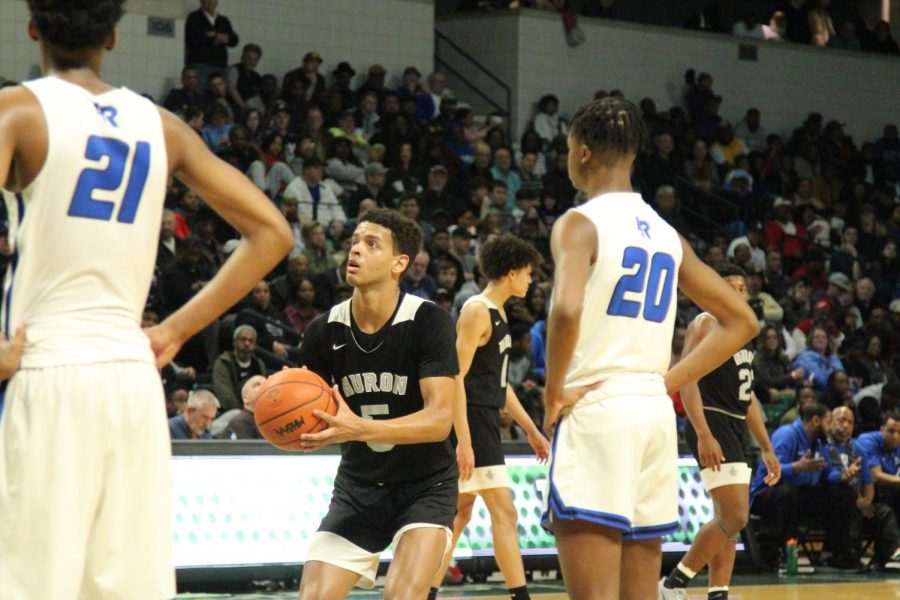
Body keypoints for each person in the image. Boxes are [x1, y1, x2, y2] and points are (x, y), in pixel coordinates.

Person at [0, 3, 292, 598]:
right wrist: (176, 330)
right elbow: (274, 234)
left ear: (32, 28)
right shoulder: (160, 125)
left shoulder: (16, 111)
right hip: (133, 379)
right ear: (112, 35)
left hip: (47, 366)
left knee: (31, 584)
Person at [540, 97, 758, 600]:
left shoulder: (579, 222)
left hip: (598, 410)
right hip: (654, 416)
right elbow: (742, 321)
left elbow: (566, 310)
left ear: (584, 152)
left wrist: (553, 392)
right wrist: (666, 384)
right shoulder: (666, 234)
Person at [295, 208, 460, 598]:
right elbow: (302, 405)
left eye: (372, 245)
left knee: (401, 595)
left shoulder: (429, 321)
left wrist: (361, 428)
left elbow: (439, 420)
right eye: (355, 241)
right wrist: (267, 398)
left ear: (399, 263)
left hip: (425, 485)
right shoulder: (322, 331)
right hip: (358, 486)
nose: (356, 250)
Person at [432, 234, 551, 599]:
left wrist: (530, 429)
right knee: (504, 511)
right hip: (470, 421)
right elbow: (455, 378)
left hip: (483, 418)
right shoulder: (476, 310)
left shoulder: (498, 313)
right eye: (528, 274)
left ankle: (425, 591)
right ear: (511, 272)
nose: (530, 282)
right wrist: (463, 441)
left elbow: (500, 385)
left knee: (459, 515)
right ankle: (520, 596)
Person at [659, 264, 781, 600]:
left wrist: (767, 447)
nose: (736, 292)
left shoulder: (742, 330)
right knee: (736, 514)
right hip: (711, 421)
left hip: (734, 422)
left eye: (741, 287)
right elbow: (687, 379)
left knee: (728, 519)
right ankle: (673, 583)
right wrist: (702, 432)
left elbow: (750, 395)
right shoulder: (706, 322)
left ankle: (718, 592)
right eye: (728, 286)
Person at [827, 406, 900, 570]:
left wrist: (866, 501)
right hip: (831, 502)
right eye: (841, 420)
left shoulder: (856, 448)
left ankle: (889, 558)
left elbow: (868, 481)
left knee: (883, 512)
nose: (845, 425)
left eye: (850, 422)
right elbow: (828, 476)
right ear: (830, 422)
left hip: (859, 502)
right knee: (844, 494)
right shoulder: (823, 444)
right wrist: (856, 499)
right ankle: (846, 556)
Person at [211, 325, 267, 412]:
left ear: (255, 345)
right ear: (234, 342)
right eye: (243, 339)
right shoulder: (223, 363)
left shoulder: (259, 364)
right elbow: (226, 398)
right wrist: (245, 412)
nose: (247, 344)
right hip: (230, 412)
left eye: (250, 341)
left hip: (256, 411)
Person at [214, 374, 265, 439]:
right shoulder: (240, 422)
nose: (263, 386)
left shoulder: (272, 419)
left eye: (266, 384)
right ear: (245, 398)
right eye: (257, 384)